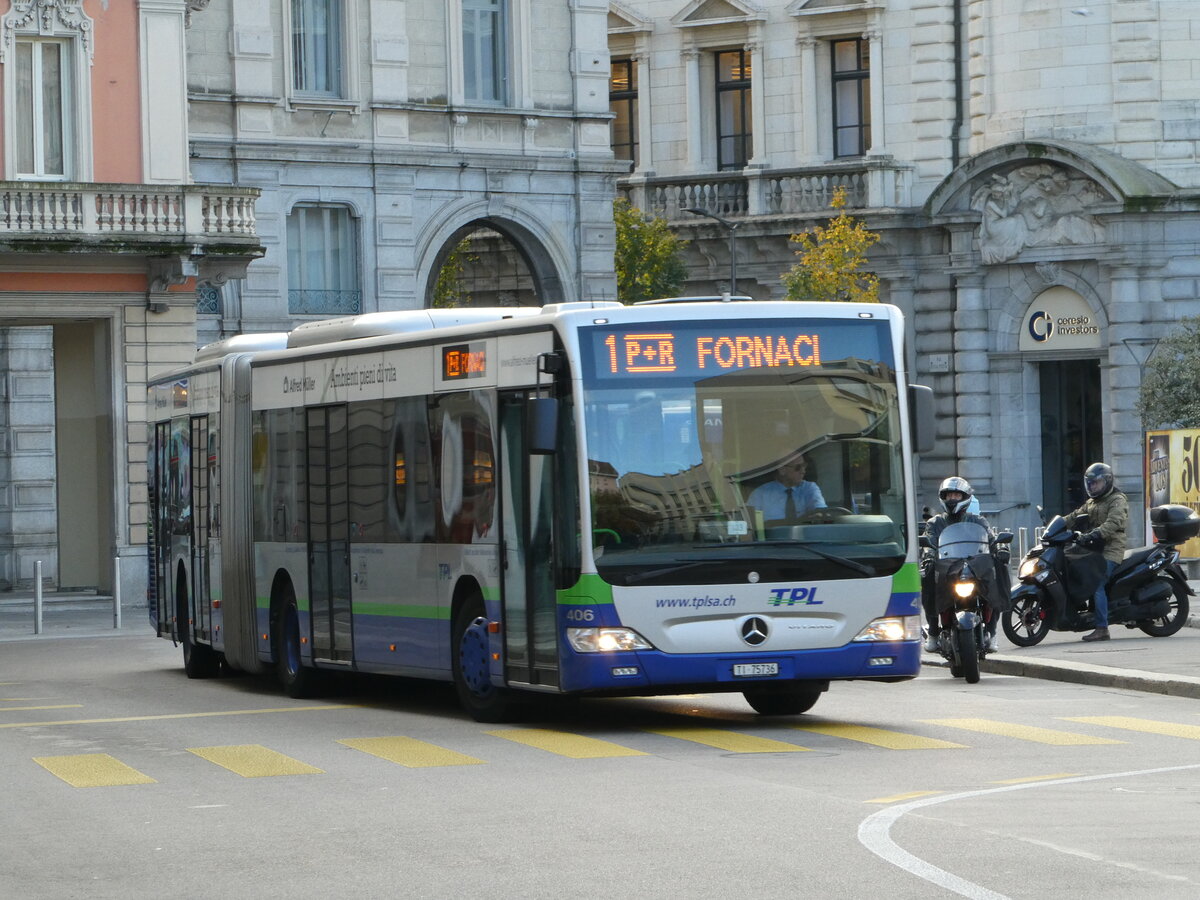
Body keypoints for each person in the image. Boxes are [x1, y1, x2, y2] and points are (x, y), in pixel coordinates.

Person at [921, 476, 1000, 653]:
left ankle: (992, 632)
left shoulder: (978, 521)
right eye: (949, 495)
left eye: (957, 495)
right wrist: (928, 555)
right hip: (947, 568)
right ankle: (933, 632)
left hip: (974, 567)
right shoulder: (935, 523)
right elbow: (930, 542)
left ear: (965, 498)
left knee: (995, 582)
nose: (952, 499)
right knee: (927, 581)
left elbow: (990, 540)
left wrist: (999, 550)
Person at [1063, 462, 1128, 642]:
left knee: (1095, 582)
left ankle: (1102, 628)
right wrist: (1058, 524)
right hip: (1095, 548)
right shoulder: (1093, 501)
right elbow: (1075, 515)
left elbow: (1113, 523)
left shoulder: (1117, 500)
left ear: (1106, 481)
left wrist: (1094, 534)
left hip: (1110, 549)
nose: (1092, 486)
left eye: (1096, 483)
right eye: (1090, 483)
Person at [746, 454, 826, 522]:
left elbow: (820, 513)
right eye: (798, 467)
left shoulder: (809, 488)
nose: (803, 471)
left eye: (804, 466)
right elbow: (750, 524)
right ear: (782, 470)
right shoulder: (760, 494)